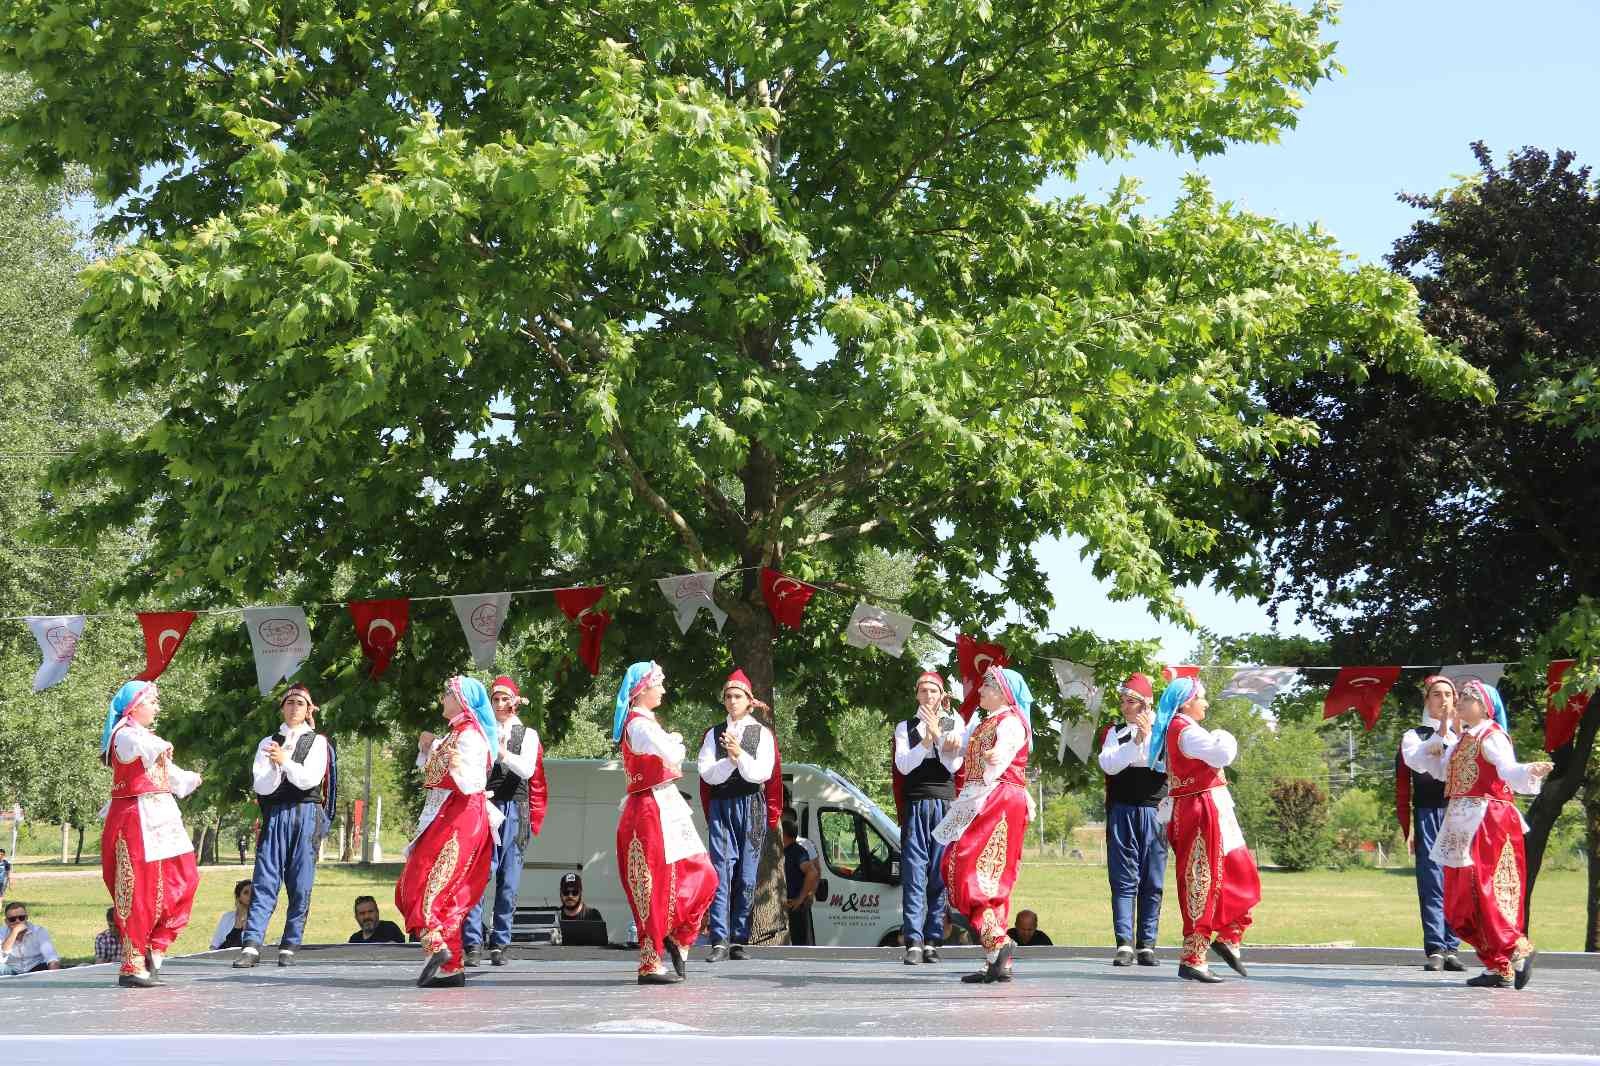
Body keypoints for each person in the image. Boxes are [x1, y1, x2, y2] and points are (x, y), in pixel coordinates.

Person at [1413, 679, 1552, 989]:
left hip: (1488, 820)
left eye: (1466, 698)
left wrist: (1529, 770)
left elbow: (1508, 769)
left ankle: (1517, 949)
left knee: (1484, 891)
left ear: (1484, 706)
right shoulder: (1462, 740)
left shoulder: (1492, 736)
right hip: (1461, 822)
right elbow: (1427, 765)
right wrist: (1437, 741)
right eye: (1459, 698)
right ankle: (1497, 965)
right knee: (1459, 899)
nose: (1458, 702)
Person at [1149, 677, 1260, 984]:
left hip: (1208, 806)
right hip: (1200, 809)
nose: (1206, 703)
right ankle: (1195, 955)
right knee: (1201, 879)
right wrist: (1224, 734)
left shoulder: (1182, 729)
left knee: (1237, 871)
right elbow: (1222, 754)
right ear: (1187, 702)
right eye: (1203, 697)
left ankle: (1228, 936)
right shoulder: (1184, 731)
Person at [615, 661, 717, 984]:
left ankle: (679, 934)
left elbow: (670, 753)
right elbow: (672, 753)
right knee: (652, 885)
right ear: (642, 689)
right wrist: (674, 741)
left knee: (702, 872)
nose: (663, 689)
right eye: (659, 684)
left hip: (662, 802)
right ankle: (650, 960)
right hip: (647, 809)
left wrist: (672, 742)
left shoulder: (645, 723)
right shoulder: (640, 726)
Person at [395, 676, 499, 987]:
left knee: (423, 883)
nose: (442, 698)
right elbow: (437, 774)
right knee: (442, 892)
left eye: (447, 694)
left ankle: (436, 945)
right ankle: (450, 966)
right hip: (450, 815)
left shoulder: (470, 737)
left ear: (461, 700)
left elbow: (472, 783)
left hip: (462, 817)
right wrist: (431, 747)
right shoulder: (456, 733)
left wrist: (451, 762)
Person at [936, 664, 1034, 985]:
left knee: (968, 870)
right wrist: (947, 727)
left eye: (986, 687)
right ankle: (996, 958)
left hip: (999, 799)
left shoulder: (1011, 723)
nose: (979, 691)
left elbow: (1005, 749)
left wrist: (997, 755)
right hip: (983, 797)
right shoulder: (983, 722)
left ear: (1002, 692)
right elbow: (956, 747)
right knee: (979, 875)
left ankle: (997, 944)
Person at [99, 680, 201, 988]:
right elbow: (140, 749)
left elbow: (172, 775)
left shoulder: (145, 736)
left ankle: (156, 945)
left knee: (185, 878)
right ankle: (132, 963)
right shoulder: (124, 735)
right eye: (152, 702)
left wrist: (192, 778)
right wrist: (159, 748)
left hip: (162, 816)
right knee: (137, 890)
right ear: (135, 706)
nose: (157, 708)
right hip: (134, 817)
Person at [235, 683, 332, 969]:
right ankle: (252, 943)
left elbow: (309, 779)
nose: (293, 708)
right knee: (265, 878)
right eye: (289, 703)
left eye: (299, 704)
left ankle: (290, 943)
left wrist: (285, 761)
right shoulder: (268, 741)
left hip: (305, 813)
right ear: (282, 708)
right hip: (276, 814)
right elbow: (262, 785)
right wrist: (277, 766)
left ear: (308, 709)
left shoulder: (317, 742)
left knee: (300, 881)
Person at [463, 675, 547, 967]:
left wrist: (501, 752)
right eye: (495, 699)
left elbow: (525, 769)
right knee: (480, 874)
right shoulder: (480, 731)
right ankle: (472, 942)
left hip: (516, 807)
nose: (499, 704)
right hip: (487, 805)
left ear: (515, 701)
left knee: (508, 881)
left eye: (504, 699)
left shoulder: (528, 734)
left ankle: (500, 943)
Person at [696, 668, 774, 962]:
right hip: (722, 806)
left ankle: (739, 938)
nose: (731, 701)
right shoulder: (714, 733)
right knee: (720, 871)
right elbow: (707, 772)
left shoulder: (761, 733)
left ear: (748, 700)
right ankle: (719, 938)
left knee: (747, 874)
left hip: (751, 807)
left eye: (737, 696)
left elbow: (760, 773)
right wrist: (731, 760)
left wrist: (738, 755)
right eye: (727, 696)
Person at [892, 670, 965, 965]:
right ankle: (913, 939)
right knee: (914, 872)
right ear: (916, 694)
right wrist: (925, 741)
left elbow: (954, 762)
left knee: (939, 871)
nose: (928, 696)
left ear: (942, 695)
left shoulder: (953, 721)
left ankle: (933, 937)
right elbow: (904, 765)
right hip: (916, 803)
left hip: (944, 804)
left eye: (933, 691)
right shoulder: (905, 727)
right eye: (923, 691)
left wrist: (938, 734)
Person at [1098, 672, 1168, 968]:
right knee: (1123, 878)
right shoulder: (1114, 732)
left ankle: (1147, 944)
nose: (1126, 707)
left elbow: (1165, 764)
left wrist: (1149, 737)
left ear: (1146, 705)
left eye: (1132, 702)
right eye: (1124, 701)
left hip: (1154, 811)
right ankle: (1124, 943)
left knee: (1153, 880)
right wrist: (1135, 742)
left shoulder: (1164, 731)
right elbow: (1109, 765)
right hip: (1123, 810)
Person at [1397, 675, 1465, 972]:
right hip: (1429, 811)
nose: (1443, 700)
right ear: (1427, 701)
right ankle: (1436, 946)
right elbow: (1416, 761)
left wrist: (1456, 731)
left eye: (1448, 694)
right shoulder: (1415, 735)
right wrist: (1443, 730)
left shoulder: (1469, 735)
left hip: (1462, 813)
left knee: (1458, 879)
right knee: (1433, 880)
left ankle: (1453, 946)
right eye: (1436, 695)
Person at [782, 815, 819, 946]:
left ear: (784, 834)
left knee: (800, 945)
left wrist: (800, 898)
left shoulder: (798, 852)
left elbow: (813, 872)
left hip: (795, 907)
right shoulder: (782, 851)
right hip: (786, 907)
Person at [1, 902, 60, 974]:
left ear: (26, 918)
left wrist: (54, 979)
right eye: (12, 919)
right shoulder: (2, 932)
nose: (18, 921)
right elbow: (2, 954)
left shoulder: (39, 931)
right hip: (12, 971)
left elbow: (51, 958)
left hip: (35, 969)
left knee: (48, 966)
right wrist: (14, 932)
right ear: (6, 921)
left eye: (21, 918)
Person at [212, 880, 252, 949]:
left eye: (253, 892)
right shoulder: (227, 917)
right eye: (246, 893)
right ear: (238, 897)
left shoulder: (257, 918)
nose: (250, 895)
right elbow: (214, 946)